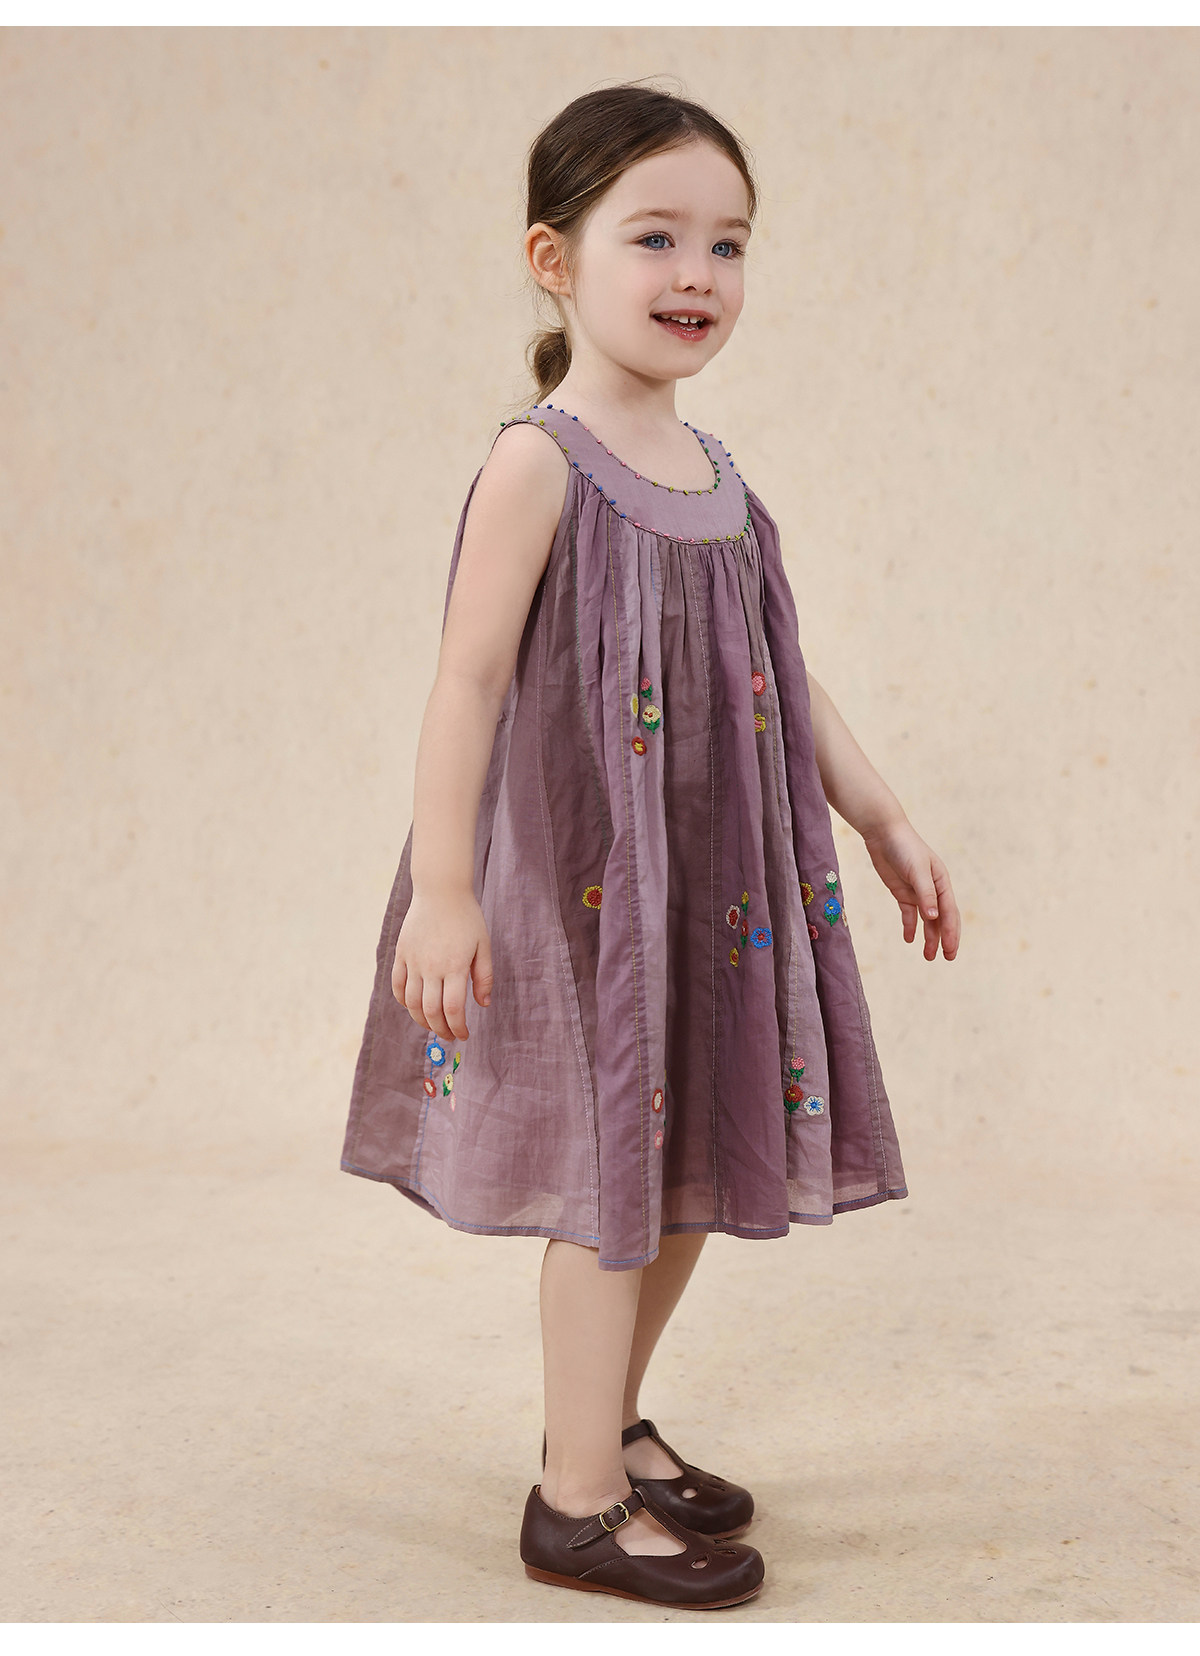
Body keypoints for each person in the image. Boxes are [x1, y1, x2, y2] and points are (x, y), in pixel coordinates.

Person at [341, 81, 961, 1611]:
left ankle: (603, 1424)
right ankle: (573, 1503)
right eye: (657, 238)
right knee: (612, 1172)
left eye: (729, 244)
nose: (699, 275)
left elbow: (777, 671)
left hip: (715, 889)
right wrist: (443, 889)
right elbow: (466, 679)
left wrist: (880, 812)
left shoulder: (719, 475)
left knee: (688, 1165)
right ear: (554, 260)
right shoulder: (540, 462)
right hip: (586, 893)